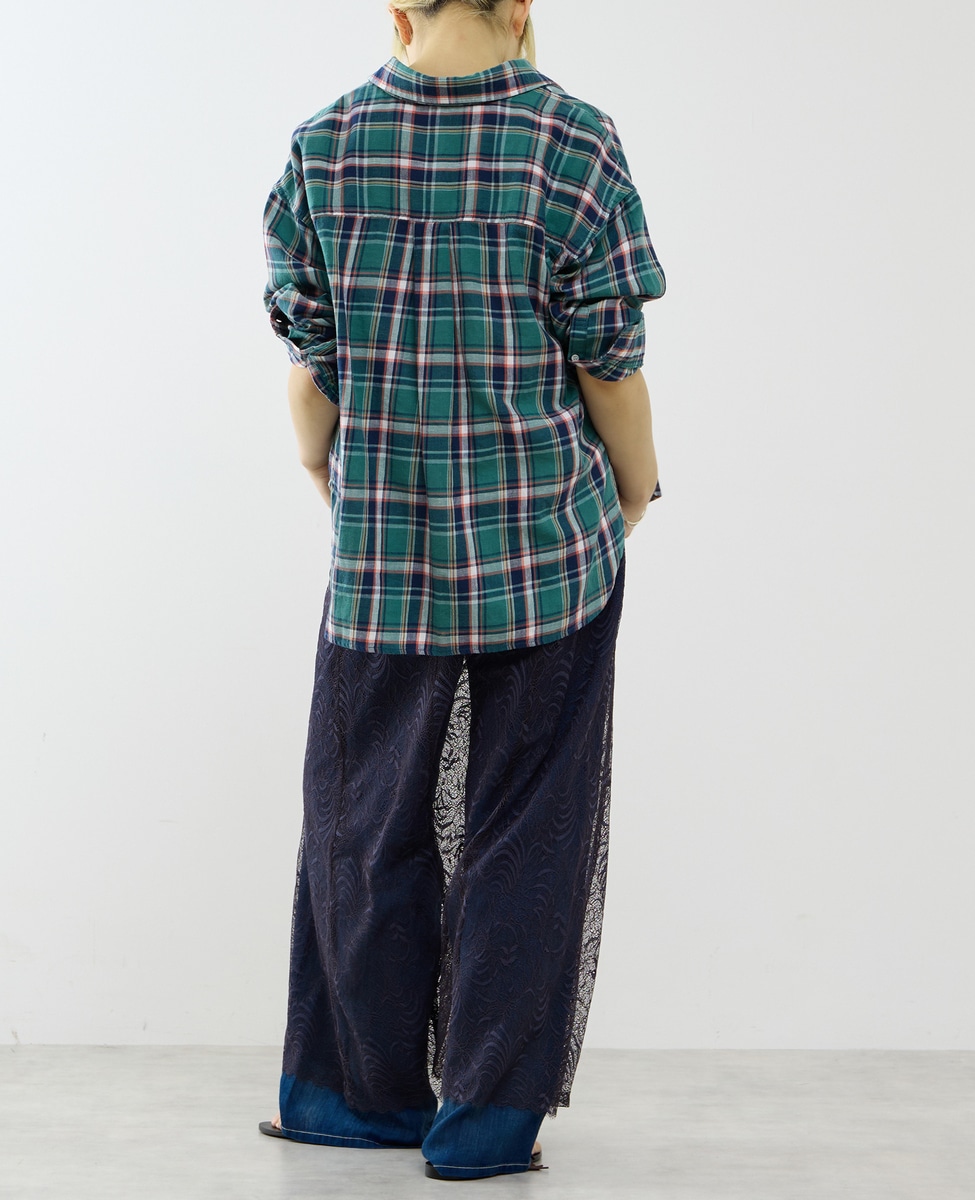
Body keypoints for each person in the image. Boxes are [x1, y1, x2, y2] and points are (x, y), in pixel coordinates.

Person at [258, 0, 665, 1181]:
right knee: (528, 829)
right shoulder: (572, 141)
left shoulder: (325, 145)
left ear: (398, 8)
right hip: (548, 552)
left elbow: (312, 375)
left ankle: (349, 1095)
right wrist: (636, 489)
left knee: (360, 820)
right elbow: (610, 366)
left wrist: (325, 469)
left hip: (381, 557)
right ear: (519, 5)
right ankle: (485, 1122)